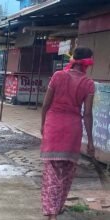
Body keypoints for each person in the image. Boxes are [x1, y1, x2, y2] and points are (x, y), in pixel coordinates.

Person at [40, 47, 96, 220]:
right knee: (67, 174)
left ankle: (52, 213)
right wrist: (91, 142)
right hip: (73, 130)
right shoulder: (88, 84)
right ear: (88, 63)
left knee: (51, 174)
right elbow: (87, 114)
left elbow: (46, 105)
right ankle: (57, 208)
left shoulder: (58, 76)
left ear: (73, 60)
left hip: (54, 127)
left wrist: (43, 125)